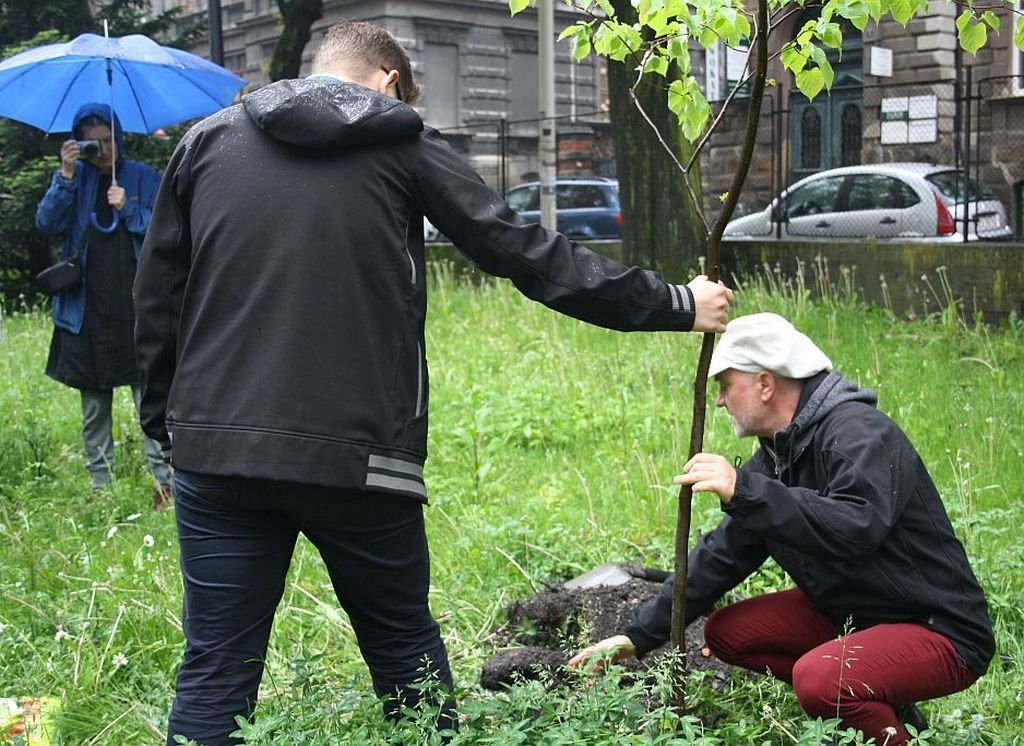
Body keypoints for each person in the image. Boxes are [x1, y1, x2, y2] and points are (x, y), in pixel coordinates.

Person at [132, 20, 733, 746]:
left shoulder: (208, 141)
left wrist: (167, 426)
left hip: (216, 452)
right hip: (360, 462)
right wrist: (675, 303)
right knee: (405, 660)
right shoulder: (402, 142)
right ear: (388, 81)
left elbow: (157, 295)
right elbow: (528, 255)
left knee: (215, 672)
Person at [568, 313, 994, 745]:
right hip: (858, 616)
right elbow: (722, 556)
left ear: (765, 384)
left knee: (820, 680)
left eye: (725, 386)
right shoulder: (777, 457)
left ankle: (863, 706)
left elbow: (855, 526)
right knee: (728, 633)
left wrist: (746, 491)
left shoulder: (858, 433)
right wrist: (640, 635)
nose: (719, 401)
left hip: (938, 628)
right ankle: (881, 706)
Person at [35, 103, 172, 508]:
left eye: (109, 140)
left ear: (120, 138)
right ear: (78, 144)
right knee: (94, 406)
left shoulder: (142, 177)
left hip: (136, 308)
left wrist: (128, 206)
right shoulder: (73, 181)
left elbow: (167, 230)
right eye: (93, 143)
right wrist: (65, 176)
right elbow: (46, 224)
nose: (103, 150)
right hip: (86, 312)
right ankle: (101, 484)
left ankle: (165, 481)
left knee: (150, 398)